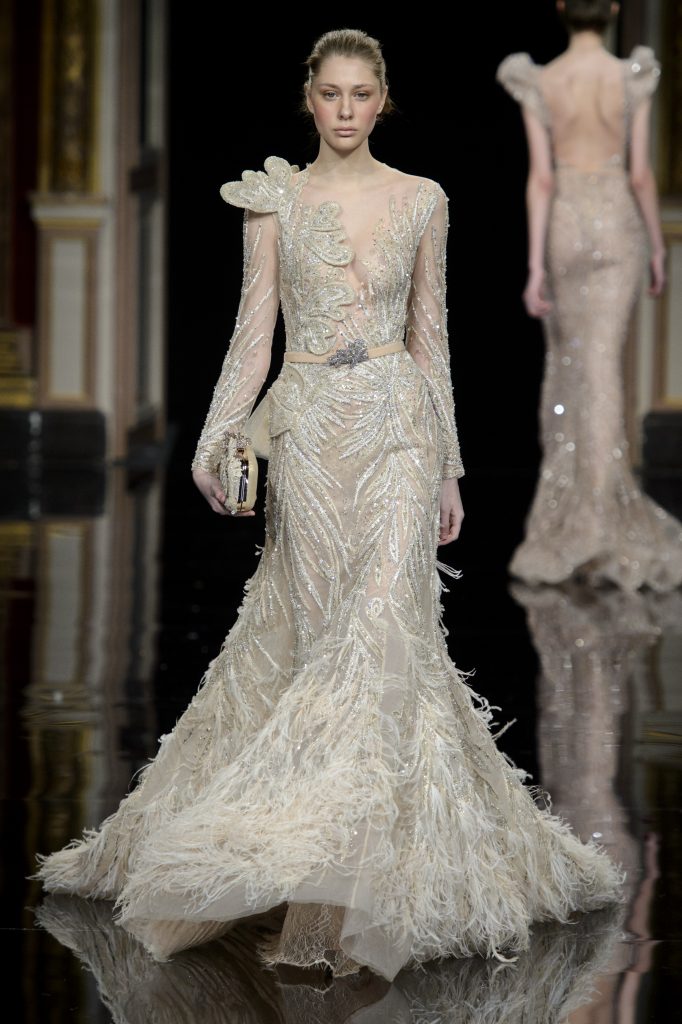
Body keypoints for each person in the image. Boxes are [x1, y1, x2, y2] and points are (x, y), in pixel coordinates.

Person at [36, 28, 622, 982]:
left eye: (361, 94)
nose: (345, 110)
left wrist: (449, 469)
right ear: (308, 99)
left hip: (397, 429)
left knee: (381, 637)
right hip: (308, 435)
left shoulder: (423, 199)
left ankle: (347, 898)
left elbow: (432, 339)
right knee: (319, 642)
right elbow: (251, 333)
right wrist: (217, 437)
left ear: (383, 100)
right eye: (330, 93)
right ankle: (298, 853)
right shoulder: (274, 201)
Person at [497, 0, 682, 591]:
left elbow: (541, 178)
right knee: (601, 368)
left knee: (576, 366)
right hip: (617, 223)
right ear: (613, 10)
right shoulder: (631, 74)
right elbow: (640, 174)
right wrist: (657, 247)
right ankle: (599, 518)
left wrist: (533, 265)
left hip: (567, 224)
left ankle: (584, 516)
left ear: (560, 9)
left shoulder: (541, 80)